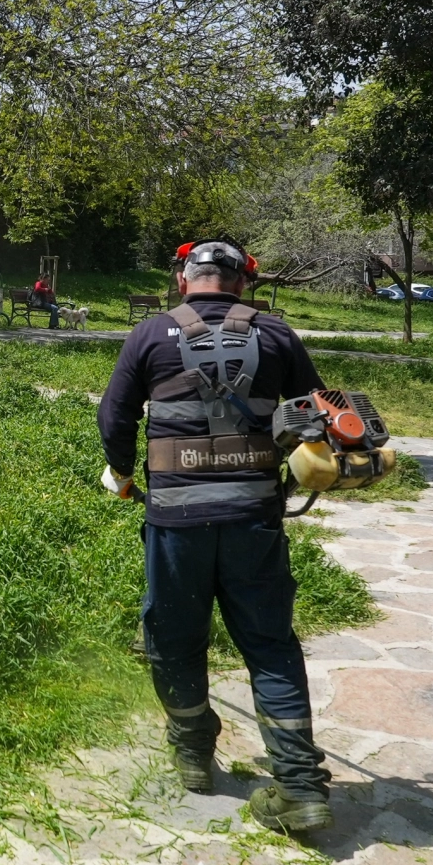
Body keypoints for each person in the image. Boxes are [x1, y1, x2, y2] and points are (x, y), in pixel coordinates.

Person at [97, 239, 334, 833]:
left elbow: (115, 417)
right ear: (243, 284)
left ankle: (193, 754)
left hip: (176, 521)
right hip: (254, 519)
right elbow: (319, 412)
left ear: (184, 279)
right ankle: (300, 786)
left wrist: (123, 476)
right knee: (270, 643)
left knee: (174, 636)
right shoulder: (277, 335)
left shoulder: (150, 335)